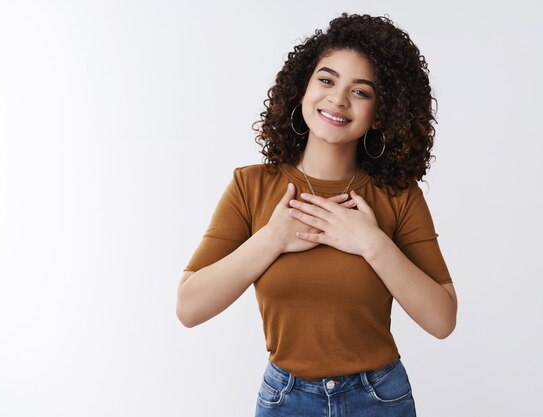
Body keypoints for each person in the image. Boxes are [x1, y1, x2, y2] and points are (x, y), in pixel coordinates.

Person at [176, 13, 458, 417]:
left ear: (381, 112)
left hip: (379, 399)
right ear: (302, 88)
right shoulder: (250, 187)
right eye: (326, 80)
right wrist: (272, 238)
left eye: (361, 92)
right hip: (285, 399)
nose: (338, 100)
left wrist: (371, 243)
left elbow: (442, 319)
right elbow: (189, 307)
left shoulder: (398, 196)